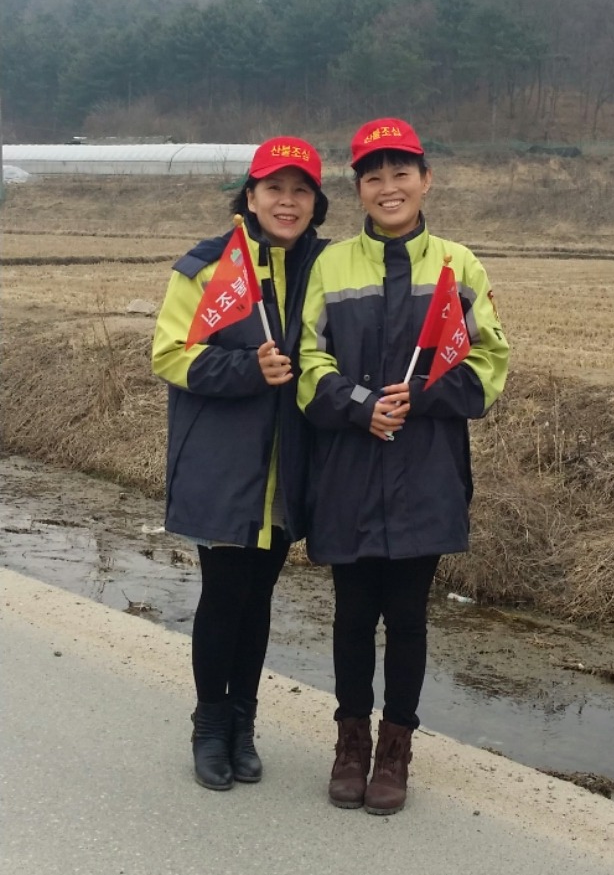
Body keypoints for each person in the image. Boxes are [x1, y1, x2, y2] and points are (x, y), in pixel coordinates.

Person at [298, 117, 509, 815]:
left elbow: (490, 362)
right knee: (353, 615)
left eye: (401, 173)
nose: (388, 187)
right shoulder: (332, 266)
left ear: (426, 180)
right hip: (348, 471)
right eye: (373, 176)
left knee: (409, 618)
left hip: (426, 472)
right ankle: (349, 745)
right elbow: (308, 362)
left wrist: (420, 396)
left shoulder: (458, 265)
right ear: (358, 188)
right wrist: (360, 405)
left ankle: (396, 752)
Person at [152, 137, 328, 791]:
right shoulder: (208, 267)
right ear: (250, 197)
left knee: (259, 598)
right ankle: (209, 727)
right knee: (224, 594)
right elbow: (170, 354)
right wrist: (246, 368)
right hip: (224, 464)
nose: (287, 202)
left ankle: (243, 725)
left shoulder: (325, 270)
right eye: (274, 188)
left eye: (301, 190)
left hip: (289, 464)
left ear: (316, 202)